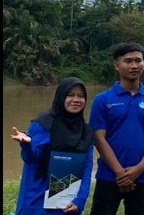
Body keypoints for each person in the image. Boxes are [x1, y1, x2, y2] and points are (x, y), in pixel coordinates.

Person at [89, 43, 144, 215]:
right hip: (109, 175)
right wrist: (119, 172)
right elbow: (98, 138)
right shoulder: (102, 100)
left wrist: (139, 169)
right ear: (117, 65)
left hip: (142, 176)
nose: (134, 66)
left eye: (138, 61)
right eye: (128, 61)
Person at [12, 77, 95, 215]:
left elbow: (86, 168)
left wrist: (80, 199)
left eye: (81, 96)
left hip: (67, 201)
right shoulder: (43, 123)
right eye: (70, 95)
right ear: (61, 96)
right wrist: (26, 144)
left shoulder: (86, 132)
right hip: (37, 196)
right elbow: (31, 158)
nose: (76, 99)